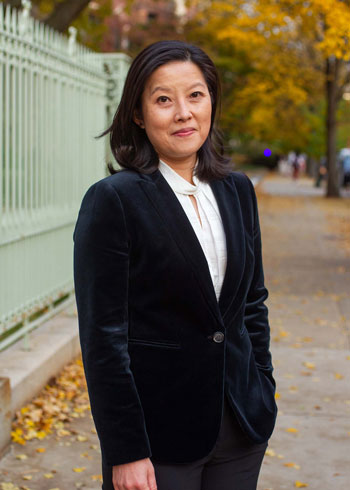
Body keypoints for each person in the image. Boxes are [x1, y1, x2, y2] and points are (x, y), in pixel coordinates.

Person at [73, 40, 278, 490]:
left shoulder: (237, 189)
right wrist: (125, 450)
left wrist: (263, 387)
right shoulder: (114, 200)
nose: (183, 112)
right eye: (164, 99)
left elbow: (251, 304)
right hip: (158, 439)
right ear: (138, 114)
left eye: (196, 95)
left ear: (211, 102)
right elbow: (103, 338)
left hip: (241, 424)